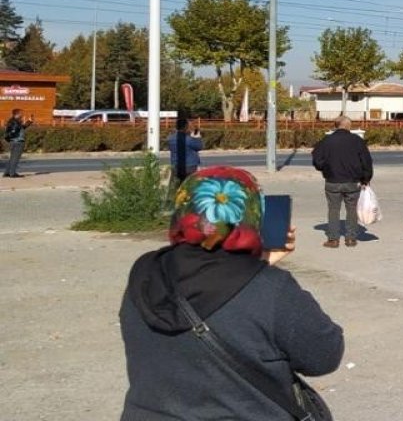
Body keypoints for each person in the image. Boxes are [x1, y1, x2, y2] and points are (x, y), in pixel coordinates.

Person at [119, 166, 344, 419]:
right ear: (251, 215)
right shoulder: (270, 289)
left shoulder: (147, 273)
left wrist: (258, 265)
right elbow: (324, 356)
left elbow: (209, 288)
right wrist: (259, 270)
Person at [311, 116, 373, 248]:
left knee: (333, 209)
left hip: (332, 180)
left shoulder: (326, 141)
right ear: (349, 126)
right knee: (352, 209)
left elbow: (317, 160)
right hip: (353, 181)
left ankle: (333, 239)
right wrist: (366, 178)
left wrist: (325, 168)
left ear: (335, 125)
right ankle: (350, 239)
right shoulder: (357, 141)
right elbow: (366, 161)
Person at [166, 117, 204, 184]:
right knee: (189, 187)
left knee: (177, 186)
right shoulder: (189, 139)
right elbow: (199, 146)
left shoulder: (170, 138)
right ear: (186, 127)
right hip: (189, 166)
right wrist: (197, 138)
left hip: (176, 166)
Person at [4, 108, 34, 178]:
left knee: (12, 158)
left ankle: (7, 172)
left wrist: (29, 121)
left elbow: (21, 128)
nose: (22, 114)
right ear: (17, 114)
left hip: (13, 141)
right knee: (15, 158)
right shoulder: (15, 122)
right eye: (21, 113)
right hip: (18, 141)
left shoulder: (12, 121)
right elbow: (16, 131)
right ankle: (12, 173)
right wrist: (16, 137)